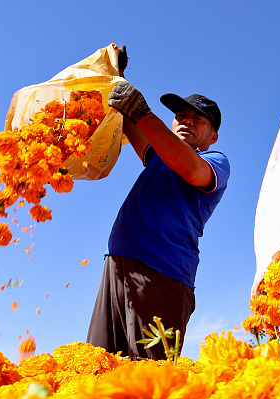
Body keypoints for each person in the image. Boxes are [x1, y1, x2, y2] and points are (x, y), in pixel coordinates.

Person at [87, 60, 229, 359]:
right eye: (181, 116)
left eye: (197, 119)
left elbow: (191, 169)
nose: (186, 121)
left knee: (151, 379)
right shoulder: (159, 158)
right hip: (117, 267)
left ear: (213, 135)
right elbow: (129, 120)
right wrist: (114, 74)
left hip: (161, 274)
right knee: (98, 370)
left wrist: (143, 113)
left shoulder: (215, 160)